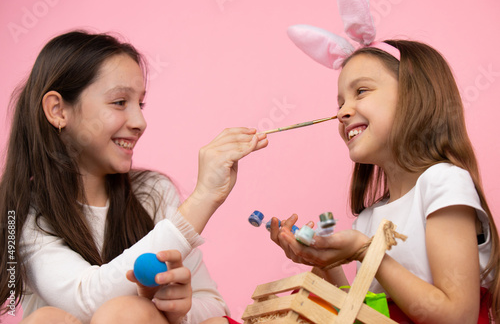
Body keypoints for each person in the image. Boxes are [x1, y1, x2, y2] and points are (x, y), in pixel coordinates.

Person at [0, 30, 268, 324]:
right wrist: (202, 199)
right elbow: (85, 299)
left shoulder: (151, 192)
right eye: (119, 102)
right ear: (58, 110)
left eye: (139, 104)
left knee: (131, 313)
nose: (140, 122)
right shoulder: (23, 211)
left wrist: (179, 310)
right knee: (46, 320)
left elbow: (214, 304)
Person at [269, 40, 499, 323]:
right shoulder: (368, 219)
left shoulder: (443, 182)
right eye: (341, 103)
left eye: (361, 91)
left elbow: (458, 317)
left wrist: (366, 250)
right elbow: (363, 313)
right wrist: (324, 262)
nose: (342, 113)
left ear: (414, 96)